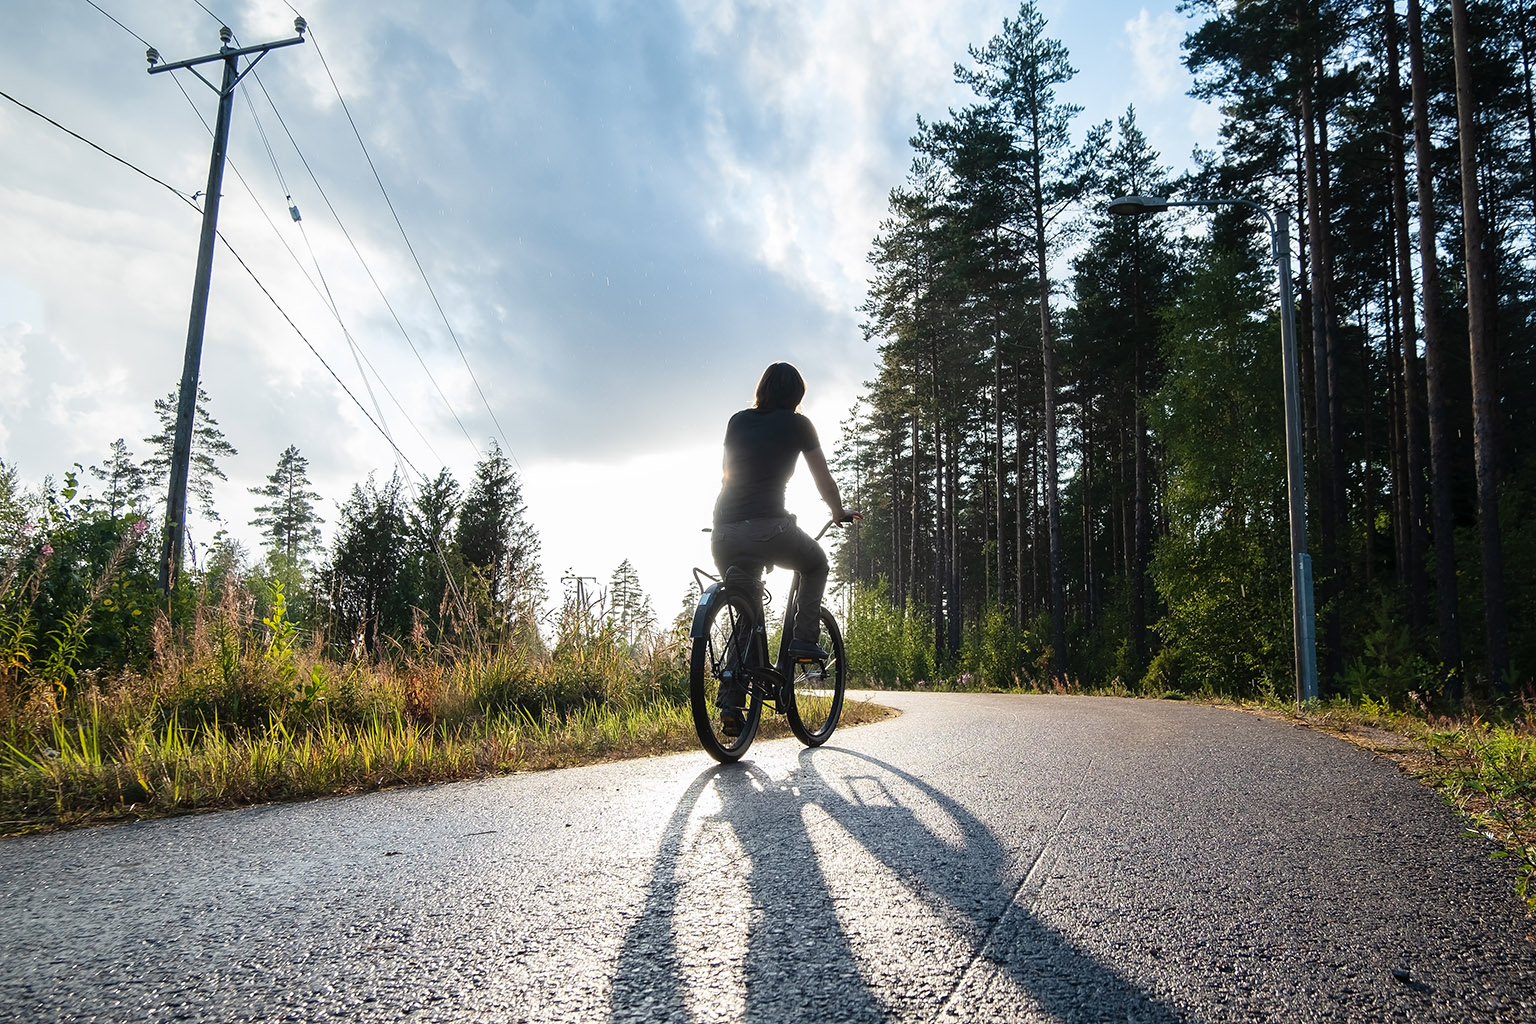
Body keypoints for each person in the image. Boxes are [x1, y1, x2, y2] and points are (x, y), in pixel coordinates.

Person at [710, 361, 858, 735]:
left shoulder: (737, 421)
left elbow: (729, 472)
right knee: (816, 563)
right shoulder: (798, 424)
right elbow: (822, 479)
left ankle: (731, 699)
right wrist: (838, 511)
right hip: (769, 529)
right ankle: (805, 642)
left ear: (761, 389)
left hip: (724, 532)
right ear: (797, 396)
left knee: (747, 610)